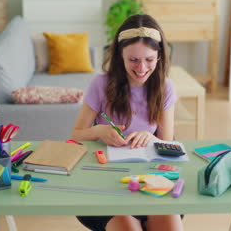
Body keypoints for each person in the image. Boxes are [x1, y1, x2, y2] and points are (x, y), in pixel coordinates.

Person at [71, 14, 183, 231]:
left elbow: (168, 142)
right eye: (133, 60)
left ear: (159, 57)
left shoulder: (165, 87)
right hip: (104, 181)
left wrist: (152, 137)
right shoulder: (101, 84)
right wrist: (99, 131)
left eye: (149, 59)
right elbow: (76, 134)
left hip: (151, 180)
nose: (141, 68)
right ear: (119, 56)